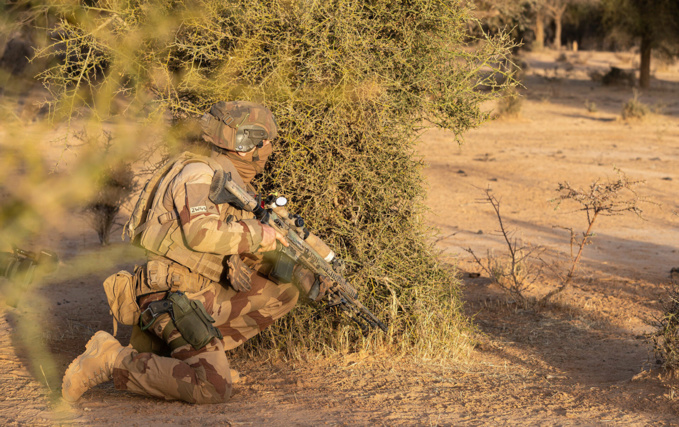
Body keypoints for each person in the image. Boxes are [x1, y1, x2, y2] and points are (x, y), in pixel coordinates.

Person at [61, 101, 327, 404]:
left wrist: (302, 272)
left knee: (285, 290)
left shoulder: (234, 186)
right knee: (213, 389)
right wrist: (258, 234)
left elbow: (241, 250)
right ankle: (111, 359)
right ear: (244, 145)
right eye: (264, 141)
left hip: (199, 290)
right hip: (172, 293)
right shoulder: (198, 173)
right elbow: (201, 231)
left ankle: (206, 360)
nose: (268, 149)